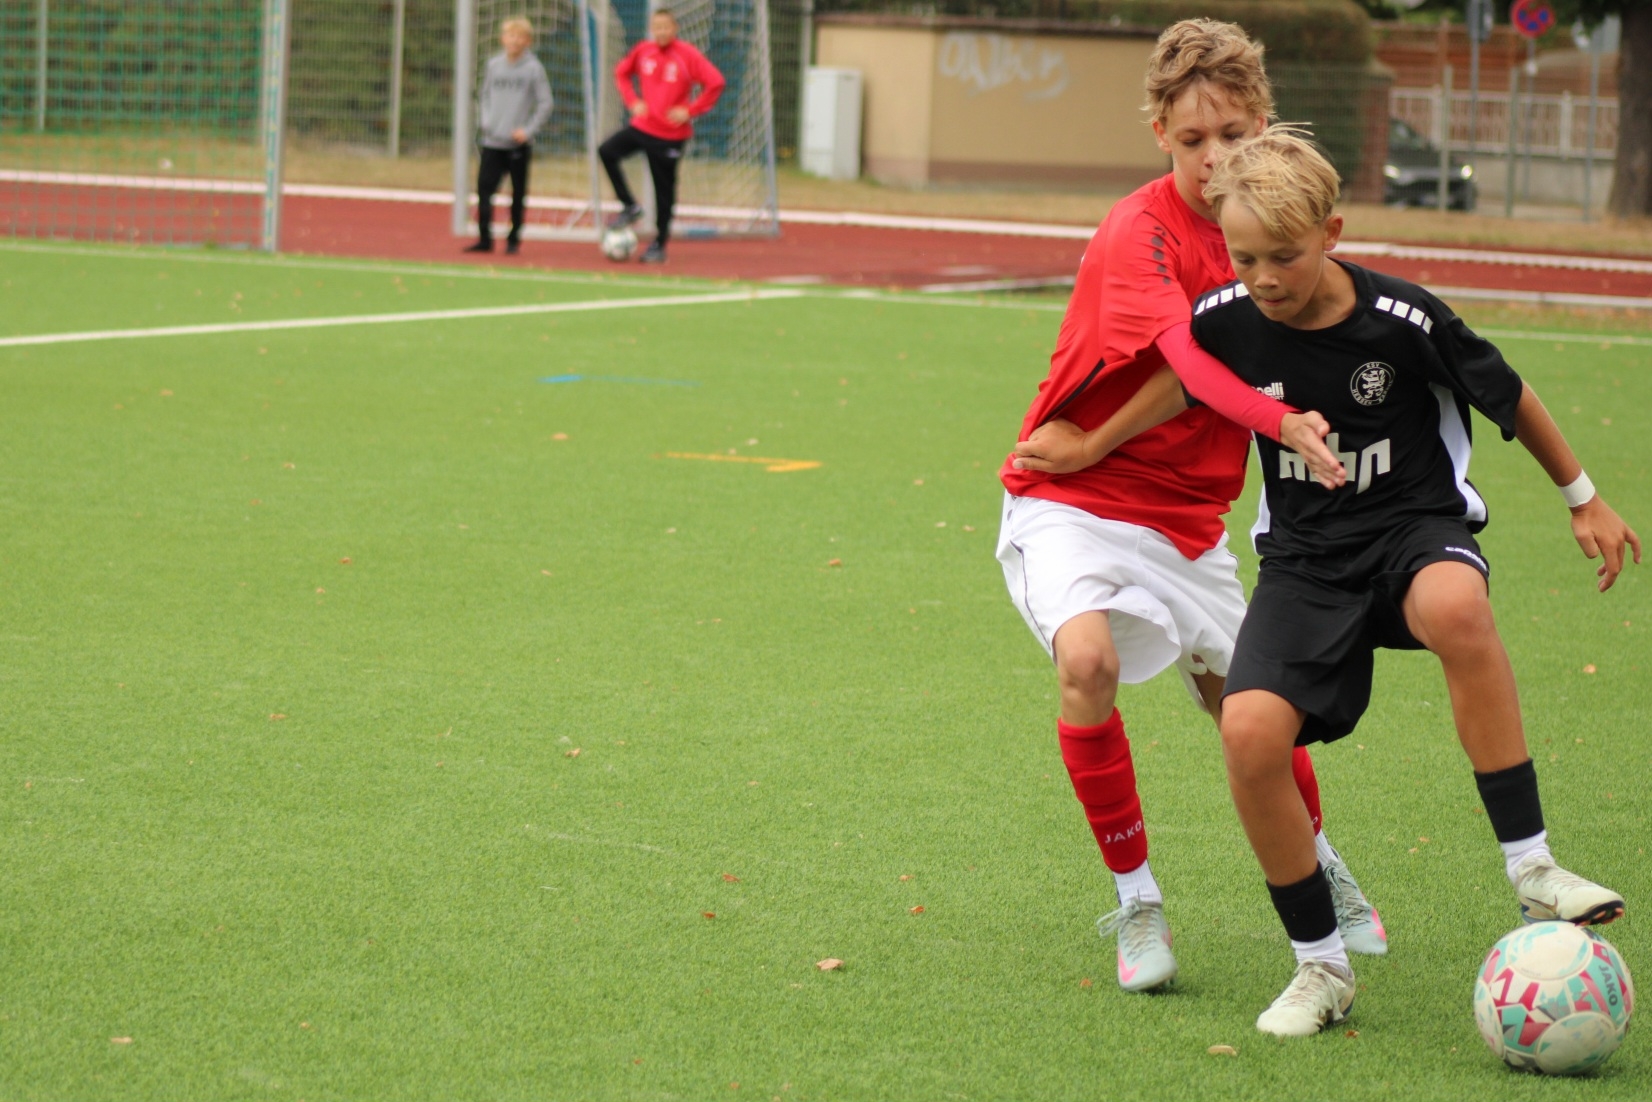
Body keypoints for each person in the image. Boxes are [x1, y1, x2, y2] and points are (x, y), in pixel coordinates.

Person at [1189, 127, 1639, 1036]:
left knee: (1456, 605)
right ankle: (1321, 967)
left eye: (1285, 255)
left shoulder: (1404, 319)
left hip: (1413, 530)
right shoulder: (1221, 319)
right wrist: (1078, 446)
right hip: (1307, 561)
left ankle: (1532, 865)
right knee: (1248, 731)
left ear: (1332, 233)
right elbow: (1173, 380)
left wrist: (1583, 498)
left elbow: (1509, 395)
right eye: (1245, 257)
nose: (1264, 277)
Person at [996, 19, 1384, 996]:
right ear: (1159, 134)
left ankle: (1320, 866)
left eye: (1233, 135)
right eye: (1191, 138)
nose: (1213, 158)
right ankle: (1136, 901)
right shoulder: (1140, 231)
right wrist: (1094, 445)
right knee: (1086, 662)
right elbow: (1189, 365)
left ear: (1265, 126)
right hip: (1073, 497)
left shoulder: (1273, 231)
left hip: (1188, 523)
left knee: (1252, 714)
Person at [599, 8, 725, 264]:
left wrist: (690, 110)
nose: (662, 32)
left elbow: (716, 82)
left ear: (675, 28)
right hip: (643, 126)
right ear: (651, 29)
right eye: (657, 28)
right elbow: (621, 73)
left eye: (666, 27)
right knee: (607, 151)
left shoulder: (687, 54)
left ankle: (659, 243)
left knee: (663, 190)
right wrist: (633, 101)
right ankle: (630, 205)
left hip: (670, 135)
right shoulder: (643, 50)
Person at [466, 17, 553, 255]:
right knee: (485, 190)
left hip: (517, 145)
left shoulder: (533, 69)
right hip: (492, 142)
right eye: (510, 35)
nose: (514, 41)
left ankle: (513, 240)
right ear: (503, 39)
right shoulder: (493, 65)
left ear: (528, 41)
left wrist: (528, 130)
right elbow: (484, 96)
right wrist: (486, 121)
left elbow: (545, 103)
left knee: (517, 193)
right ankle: (484, 239)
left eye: (519, 36)